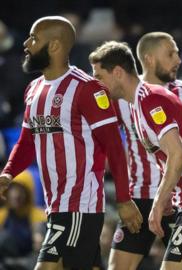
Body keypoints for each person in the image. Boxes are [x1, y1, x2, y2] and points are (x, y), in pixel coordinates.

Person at [0, 16, 142, 270]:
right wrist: (8, 174)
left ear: (54, 46)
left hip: (80, 205)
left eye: (34, 38)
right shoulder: (33, 89)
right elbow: (26, 142)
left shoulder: (87, 89)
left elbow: (114, 147)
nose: (26, 44)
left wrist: (123, 199)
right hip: (55, 205)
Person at [89, 40, 182, 270]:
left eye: (99, 76)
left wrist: (159, 202)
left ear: (117, 72)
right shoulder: (136, 102)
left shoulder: (149, 100)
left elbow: (178, 155)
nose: (97, 84)